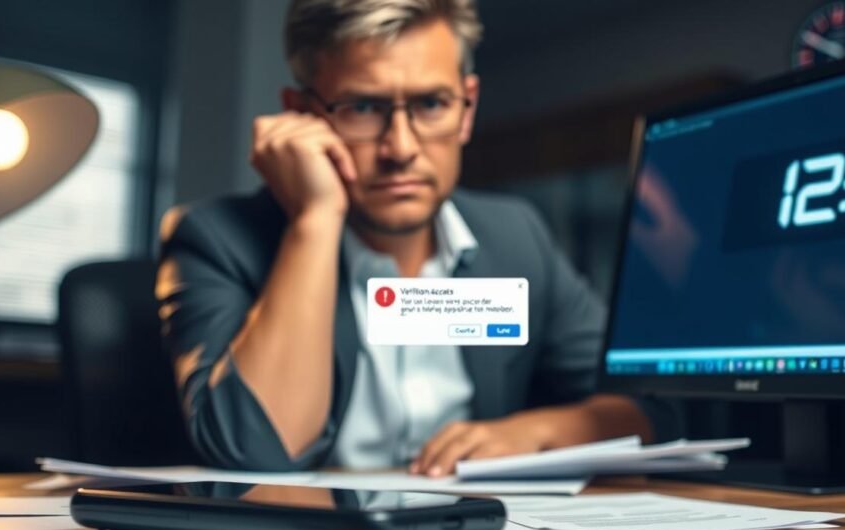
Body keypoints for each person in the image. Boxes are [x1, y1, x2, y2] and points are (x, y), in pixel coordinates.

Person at [156, 0, 677, 476]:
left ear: (467, 109)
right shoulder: (216, 238)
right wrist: (314, 219)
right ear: (303, 114)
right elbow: (257, 451)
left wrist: (535, 434)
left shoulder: (516, 237)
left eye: (431, 104)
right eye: (361, 108)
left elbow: (651, 409)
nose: (400, 148)